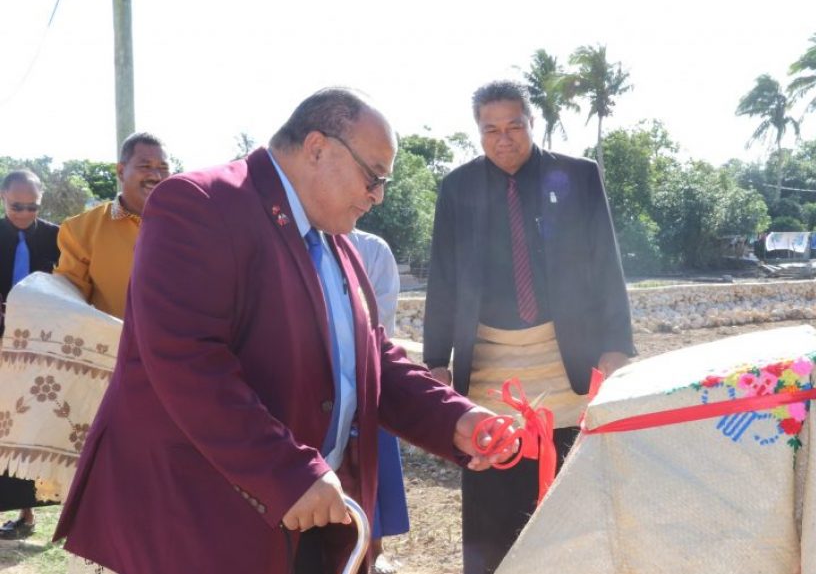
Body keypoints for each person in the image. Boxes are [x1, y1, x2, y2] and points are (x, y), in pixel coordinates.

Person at [54, 88, 510, 574]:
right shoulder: (199, 204)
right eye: (374, 176)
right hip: (206, 520)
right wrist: (288, 471)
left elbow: (369, 358)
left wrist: (454, 419)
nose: (377, 194)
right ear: (318, 148)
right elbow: (188, 363)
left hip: (306, 510)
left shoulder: (337, 241)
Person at [423, 80, 636, 574]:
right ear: (478, 133)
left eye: (514, 125)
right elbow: (444, 276)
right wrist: (435, 361)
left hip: (569, 362)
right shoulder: (458, 188)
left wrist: (617, 344)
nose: (504, 139)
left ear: (532, 123)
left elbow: (606, 260)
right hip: (489, 365)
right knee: (493, 495)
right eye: (490, 129)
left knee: (571, 492)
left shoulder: (577, 176)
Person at [0, 169, 61, 540]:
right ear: (3, 198)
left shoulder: (59, 238)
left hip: (43, 347)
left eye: (32, 206)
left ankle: (28, 513)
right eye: (15, 206)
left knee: (31, 427)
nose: (24, 213)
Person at [55, 132, 171, 318]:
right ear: (120, 172)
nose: (156, 176)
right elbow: (67, 299)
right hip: (110, 345)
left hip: (179, 344)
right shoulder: (81, 229)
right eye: (145, 166)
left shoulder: (189, 224)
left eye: (163, 167)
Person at [347, 229, 408, 574]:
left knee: (374, 467)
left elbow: (380, 322)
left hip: (366, 375)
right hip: (318, 383)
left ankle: (376, 551)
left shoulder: (373, 249)